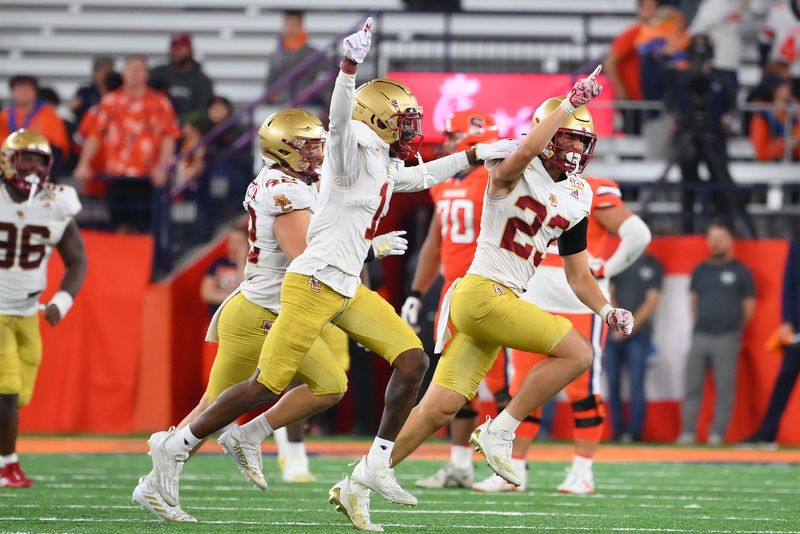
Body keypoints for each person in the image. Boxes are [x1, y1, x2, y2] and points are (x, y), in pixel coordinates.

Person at [146, 19, 514, 531]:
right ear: (379, 120)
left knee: (410, 360)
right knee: (263, 386)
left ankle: (378, 462)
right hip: (312, 283)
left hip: (343, 285)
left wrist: (474, 154)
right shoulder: (346, 147)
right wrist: (347, 68)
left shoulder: (377, 157)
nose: (411, 131)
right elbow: (340, 121)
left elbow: (417, 176)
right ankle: (176, 448)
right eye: (403, 122)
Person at [330, 68, 636, 530]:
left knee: (439, 408)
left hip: (494, 302)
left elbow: (578, 272)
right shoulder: (512, 166)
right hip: (482, 294)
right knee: (577, 352)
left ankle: (357, 483)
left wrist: (606, 308)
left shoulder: (578, 195)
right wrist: (568, 104)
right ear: (548, 133)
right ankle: (501, 431)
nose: (574, 149)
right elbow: (529, 148)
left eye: (581, 142)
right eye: (568, 138)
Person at [132, 107, 406, 520]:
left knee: (226, 406)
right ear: (282, 150)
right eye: (308, 146)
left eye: (318, 144)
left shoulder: (300, 180)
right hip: (265, 310)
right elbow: (305, 258)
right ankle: (175, 462)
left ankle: (166, 471)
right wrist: (371, 247)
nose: (318, 154)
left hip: (267, 306)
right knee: (290, 391)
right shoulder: (284, 189)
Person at [474, 175, 651, 495]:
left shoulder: (592, 187)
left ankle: (582, 471)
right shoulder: (526, 179)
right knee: (524, 389)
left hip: (577, 303)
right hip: (530, 296)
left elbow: (637, 233)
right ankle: (512, 470)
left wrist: (607, 268)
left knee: (582, 391)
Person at [400, 110, 511, 491]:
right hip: (451, 293)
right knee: (455, 380)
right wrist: (416, 291)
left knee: (498, 381)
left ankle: (510, 466)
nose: (445, 142)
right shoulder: (444, 182)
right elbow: (434, 242)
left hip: (490, 288)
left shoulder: (498, 177)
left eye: (451, 135)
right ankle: (460, 464)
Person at [0, 130, 87, 488]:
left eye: (40, 160)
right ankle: (7, 466)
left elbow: (77, 259)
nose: (33, 167)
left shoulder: (57, 201)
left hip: (28, 312)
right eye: (26, 158)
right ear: (7, 159)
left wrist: (62, 301)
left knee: (19, 397)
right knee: (5, 392)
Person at [74, 55, 181, 233]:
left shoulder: (160, 102)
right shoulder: (110, 101)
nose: (135, 74)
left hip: (146, 178)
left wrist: (163, 166)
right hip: (117, 176)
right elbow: (95, 134)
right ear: (123, 73)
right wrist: (83, 164)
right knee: (118, 228)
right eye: (131, 69)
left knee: (144, 230)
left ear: (147, 75)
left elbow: (169, 136)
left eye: (139, 69)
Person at [676, 221, 755, 446]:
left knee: (725, 389)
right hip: (700, 335)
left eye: (719, 237)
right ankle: (688, 432)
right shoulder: (701, 270)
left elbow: (749, 306)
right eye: (711, 238)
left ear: (730, 241)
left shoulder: (741, 271)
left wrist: (734, 327)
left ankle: (717, 434)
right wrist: (700, 323)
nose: (715, 242)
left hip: (727, 337)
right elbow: (694, 301)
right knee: (692, 386)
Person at [665, 34, 753, 236]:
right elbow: (671, 104)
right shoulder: (681, 78)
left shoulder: (723, 77)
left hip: (714, 137)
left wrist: (726, 119)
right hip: (688, 136)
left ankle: (725, 230)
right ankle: (687, 231)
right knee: (688, 186)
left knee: (720, 184)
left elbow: (731, 106)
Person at [740, 233, 800, 447]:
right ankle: (767, 434)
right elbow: (789, 282)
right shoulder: (797, 242)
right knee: (784, 379)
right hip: (797, 329)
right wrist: (787, 320)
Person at [605, 253, 664, 443]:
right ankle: (617, 430)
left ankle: (634, 432)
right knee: (612, 383)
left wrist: (628, 327)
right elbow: (609, 293)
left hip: (638, 333)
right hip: (615, 333)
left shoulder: (654, 265)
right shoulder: (618, 261)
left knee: (636, 384)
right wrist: (619, 324)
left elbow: (651, 302)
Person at [603, 0, 659, 133]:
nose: (652, 11)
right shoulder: (633, 33)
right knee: (633, 139)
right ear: (640, 9)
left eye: (654, 7)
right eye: (648, 7)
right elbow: (610, 62)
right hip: (633, 100)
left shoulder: (657, 35)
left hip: (648, 98)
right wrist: (621, 89)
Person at [0, 76, 70, 172]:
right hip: (7, 170)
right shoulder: (3, 116)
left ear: (35, 92)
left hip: (41, 170)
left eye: (26, 89)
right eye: (19, 89)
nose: (22, 93)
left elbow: (58, 149)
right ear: (12, 92)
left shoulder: (49, 115)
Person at [266, 10, 327, 105]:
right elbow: (271, 82)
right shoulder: (275, 56)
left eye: (294, 24)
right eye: (288, 24)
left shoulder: (314, 54)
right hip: (282, 102)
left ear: (301, 26)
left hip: (308, 101)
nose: (291, 28)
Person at [149, 33, 214, 120]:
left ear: (190, 50)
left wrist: (183, 122)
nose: (176, 52)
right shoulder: (157, 73)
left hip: (189, 127)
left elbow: (202, 111)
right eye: (173, 47)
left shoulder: (202, 80)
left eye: (180, 48)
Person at [688, 0, 745, 96]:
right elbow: (696, 31)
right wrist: (704, 60)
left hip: (732, 63)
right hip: (717, 64)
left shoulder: (737, 5)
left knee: (730, 103)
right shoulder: (713, 5)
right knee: (717, 104)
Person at [749, 76, 800, 161]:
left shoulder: (794, 110)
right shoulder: (762, 115)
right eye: (784, 88)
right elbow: (762, 151)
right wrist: (785, 144)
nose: (788, 92)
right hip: (772, 162)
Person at [200, 226, 248, 317]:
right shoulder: (219, 264)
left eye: (239, 242)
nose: (234, 246)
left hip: (241, 316)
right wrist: (234, 297)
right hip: (219, 316)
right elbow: (207, 294)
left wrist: (241, 262)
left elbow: (248, 293)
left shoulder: (252, 267)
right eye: (232, 241)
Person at [68, 56, 114, 127]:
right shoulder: (85, 92)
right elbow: (69, 110)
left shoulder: (119, 93)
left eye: (109, 72)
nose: (106, 76)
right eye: (103, 72)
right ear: (95, 73)